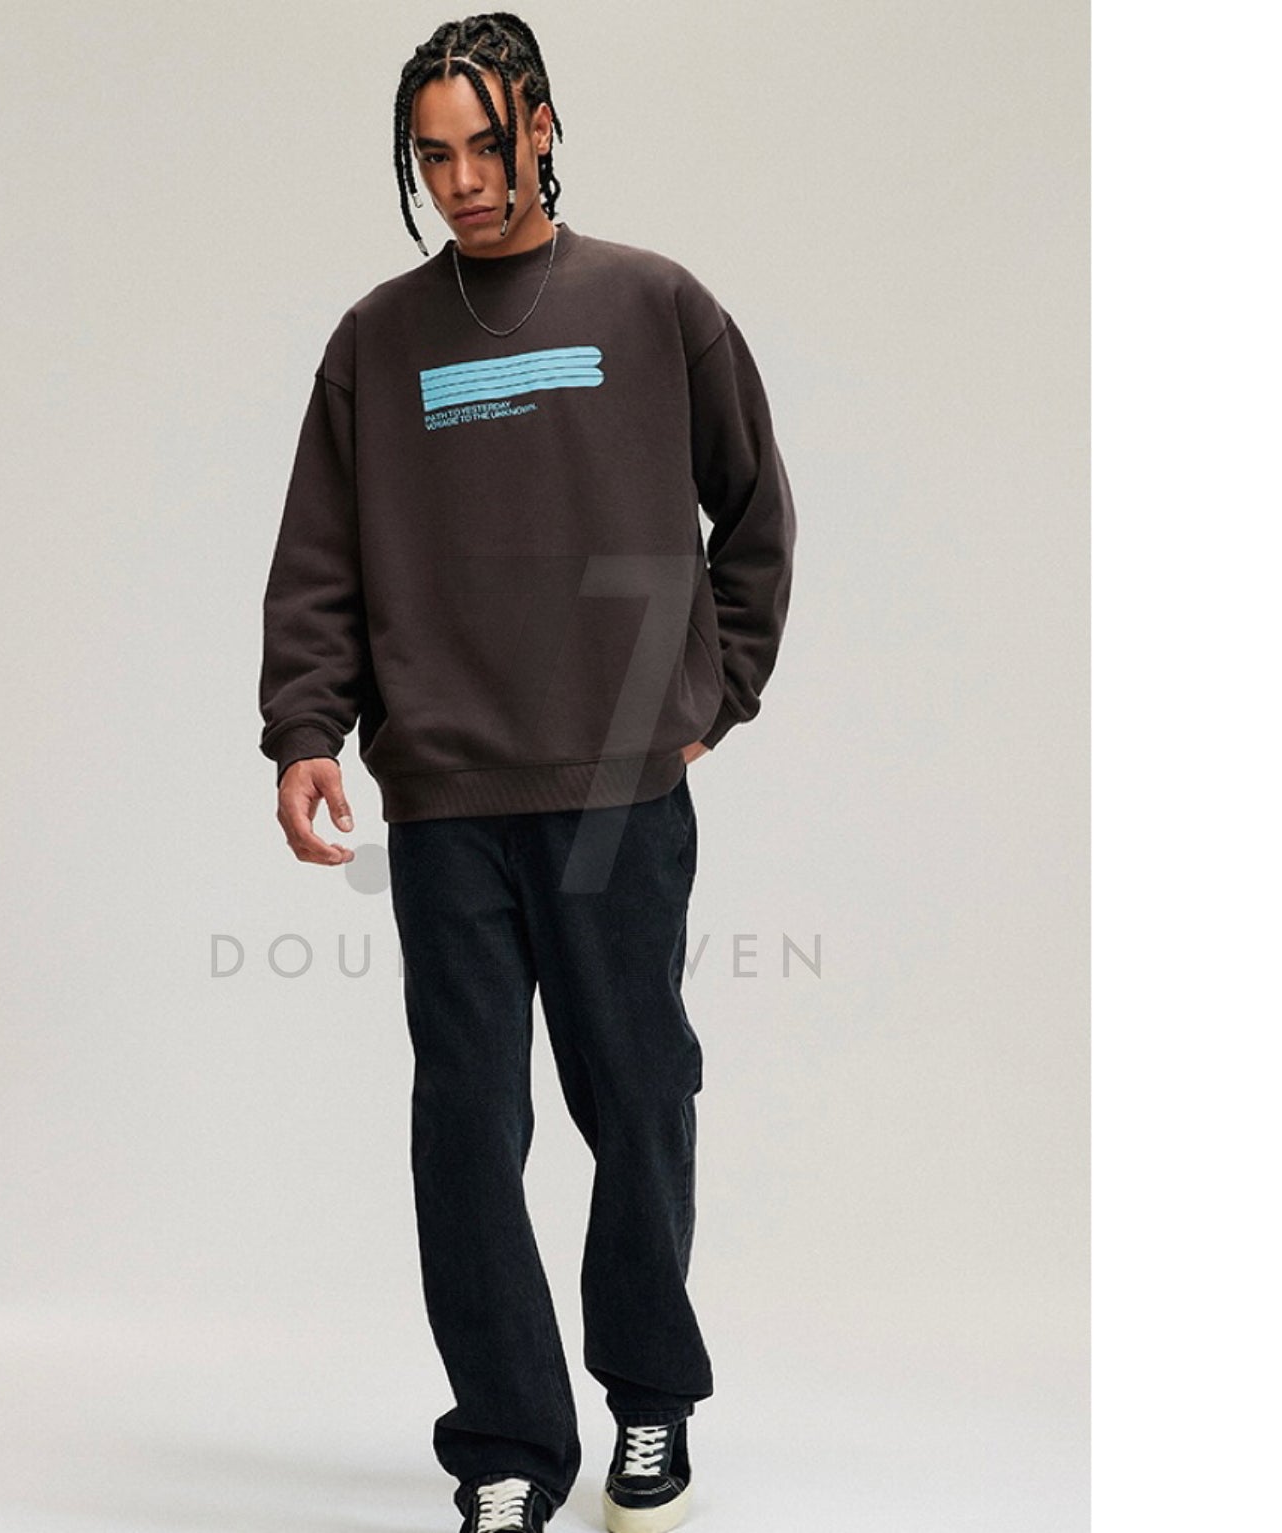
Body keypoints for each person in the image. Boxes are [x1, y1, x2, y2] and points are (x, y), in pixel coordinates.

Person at [258, 14, 796, 1531]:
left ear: (542, 126)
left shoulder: (653, 302)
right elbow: (317, 559)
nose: (462, 181)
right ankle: (505, 1446)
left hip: (619, 792)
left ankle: (648, 1399)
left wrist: (715, 690)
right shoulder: (376, 340)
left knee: (640, 1097)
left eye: (486, 145)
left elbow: (754, 511)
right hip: (446, 797)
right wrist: (306, 730)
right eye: (432, 156)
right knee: (467, 1131)